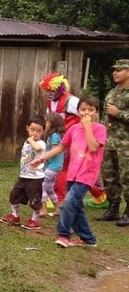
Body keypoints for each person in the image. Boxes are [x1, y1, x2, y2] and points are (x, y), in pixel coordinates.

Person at [33, 96, 105, 248]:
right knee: (77, 207)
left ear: (97, 113)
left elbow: (93, 147)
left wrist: (87, 128)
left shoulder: (100, 129)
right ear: (78, 111)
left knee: (67, 204)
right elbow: (61, 147)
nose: (87, 113)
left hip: (86, 176)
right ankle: (88, 239)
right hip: (73, 174)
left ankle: (64, 235)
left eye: (91, 110)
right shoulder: (72, 129)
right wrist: (42, 159)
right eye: (83, 109)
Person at [0, 116, 47, 230]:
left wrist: (31, 140)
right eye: (32, 129)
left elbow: (38, 149)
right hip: (23, 176)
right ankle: (15, 216)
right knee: (14, 195)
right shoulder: (26, 143)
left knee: (34, 200)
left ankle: (35, 220)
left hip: (35, 178)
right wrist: (29, 141)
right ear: (27, 128)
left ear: (43, 132)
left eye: (38, 131)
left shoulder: (41, 143)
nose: (35, 133)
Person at [38, 73, 80, 201]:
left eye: (52, 90)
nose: (48, 93)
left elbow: (86, 114)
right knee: (61, 167)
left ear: (61, 89)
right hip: (59, 137)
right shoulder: (50, 103)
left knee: (64, 168)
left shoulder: (72, 101)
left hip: (72, 138)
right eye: (46, 90)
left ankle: (61, 198)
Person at [98, 59, 129, 226]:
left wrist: (119, 113)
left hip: (126, 144)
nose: (115, 73)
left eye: (119, 70)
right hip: (109, 141)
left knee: (127, 177)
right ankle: (113, 208)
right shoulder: (112, 92)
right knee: (109, 176)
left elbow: (117, 114)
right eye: (114, 70)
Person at [41, 113, 66, 216]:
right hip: (54, 166)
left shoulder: (55, 136)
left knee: (41, 186)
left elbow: (55, 150)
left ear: (53, 124)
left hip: (53, 166)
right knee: (49, 189)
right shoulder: (52, 136)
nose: (44, 124)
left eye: (46, 121)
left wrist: (43, 156)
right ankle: (58, 209)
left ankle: (43, 210)